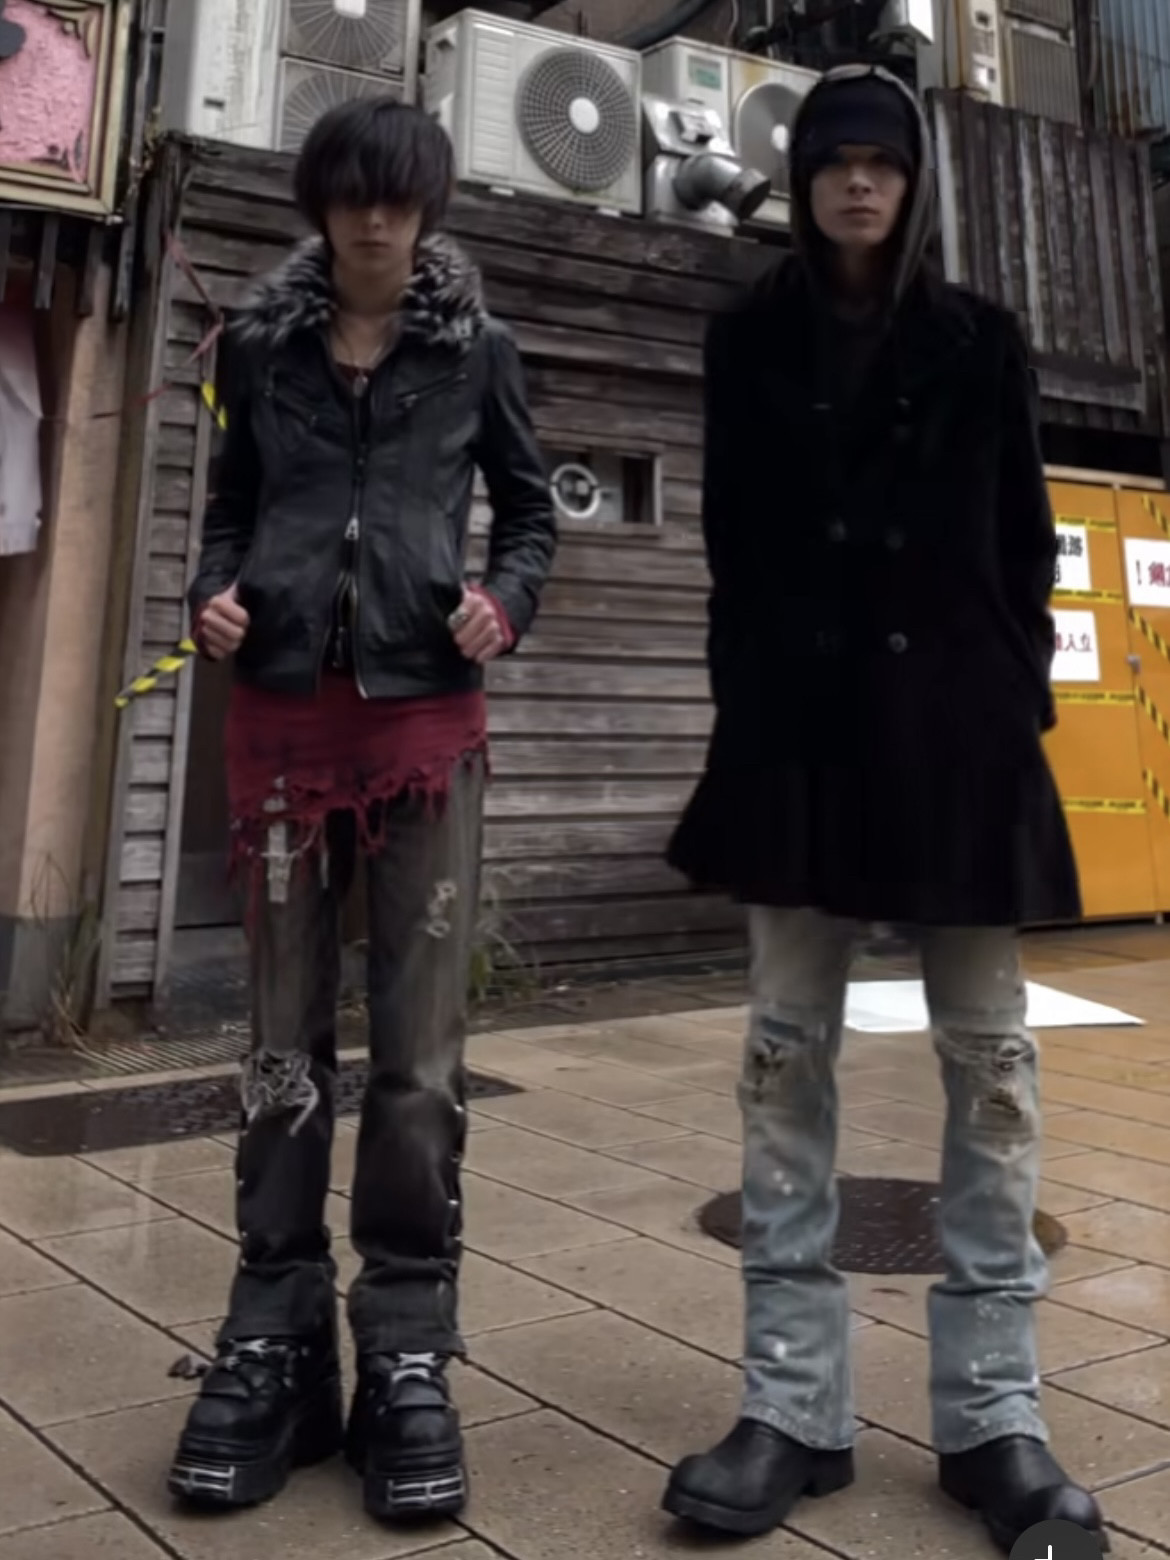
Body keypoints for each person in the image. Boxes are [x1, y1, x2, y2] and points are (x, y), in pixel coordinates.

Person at [663, 66, 1100, 1553]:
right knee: (783, 1056)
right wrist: (747, 704)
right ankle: (792, 1406)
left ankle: (994, 1417)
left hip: (959, 739)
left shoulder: (981, 338)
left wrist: (1011, 695)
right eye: (835, 160)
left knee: (992, 1065)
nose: (859, 181)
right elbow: (729, 543)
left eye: (883, 162)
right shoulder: (746, 337)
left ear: (913, 186)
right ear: (801, 182)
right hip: (795, 737)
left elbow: (1025, 539)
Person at [168, 99, 556, 1524]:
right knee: (281, 1044)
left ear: (428, 209)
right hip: (280, 723)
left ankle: (402, 1347)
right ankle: (274, 1337)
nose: (374, 220)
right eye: (350, 196)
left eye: (397, 198)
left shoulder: (476, 352)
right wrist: (210, 594)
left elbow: (530, 513)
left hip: (422, 730)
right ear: (320, 208)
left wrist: (503, 601)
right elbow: (231, 508)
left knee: (417, 1055)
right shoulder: (260, 348)